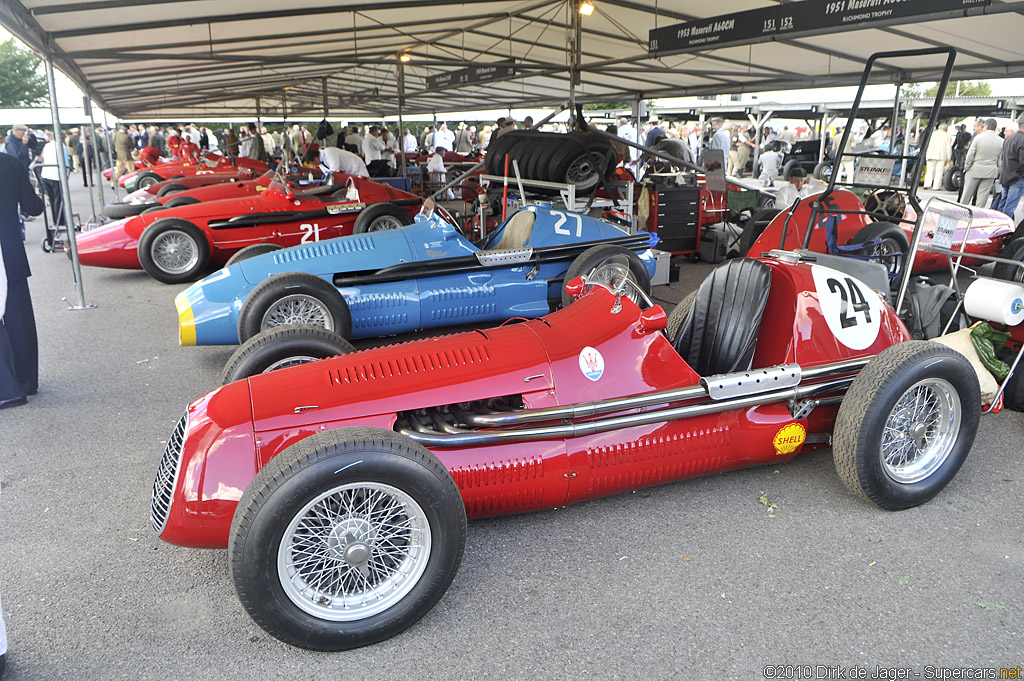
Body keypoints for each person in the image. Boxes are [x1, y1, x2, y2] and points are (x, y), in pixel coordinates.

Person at [0, 151, 44, 409]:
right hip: (10, 252)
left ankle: (8, 385)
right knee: (19, 319)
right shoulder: (10, 163)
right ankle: (27, 381)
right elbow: (32, 207)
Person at [961, 118, 1003, 207]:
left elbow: (970, 155)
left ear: (986, 126)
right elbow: (1000, 160)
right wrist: (998, 170)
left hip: (975, 169)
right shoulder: (1001, 141)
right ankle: (977, 216)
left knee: (966, 195)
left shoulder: (978, 138)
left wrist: (967, 167)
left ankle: (960, 213)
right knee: (982, 197)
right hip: (991, 170)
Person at [994, 113, 1024, 219]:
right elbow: (1023, 161)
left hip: (1006, 175)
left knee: (1003, 203)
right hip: (1017, 177)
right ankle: (1005, 228)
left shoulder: (1009, 138)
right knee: (1010, 206)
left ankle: (998, 224)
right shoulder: (1022, 140)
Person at [38, 132, 65, 228]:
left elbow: (41, 157)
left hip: (46, 174)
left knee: (52, 198)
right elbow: (65, 161)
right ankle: (60, 220)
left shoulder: (47, 145)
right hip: (56, 175)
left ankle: (56, 219)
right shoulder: (61, 146)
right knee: (59, 198)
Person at [304, 146, 368, 178]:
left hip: (356, 167)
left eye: (312, 162)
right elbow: (327, 176)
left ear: (316, 158)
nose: (313, 165)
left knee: (365, 185)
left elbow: (334, 170)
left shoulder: (329, 152)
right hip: (348, 172)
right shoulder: (321, 164)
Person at [925, 123, 951, 190]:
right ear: (945, 128)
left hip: (931, 154)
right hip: (941, 155)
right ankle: (936, 186)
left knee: (929, 170)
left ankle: (927, 184)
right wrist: (949, 157)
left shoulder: (932, 134)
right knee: (939, 171)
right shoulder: (947, 135)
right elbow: (948, 147)